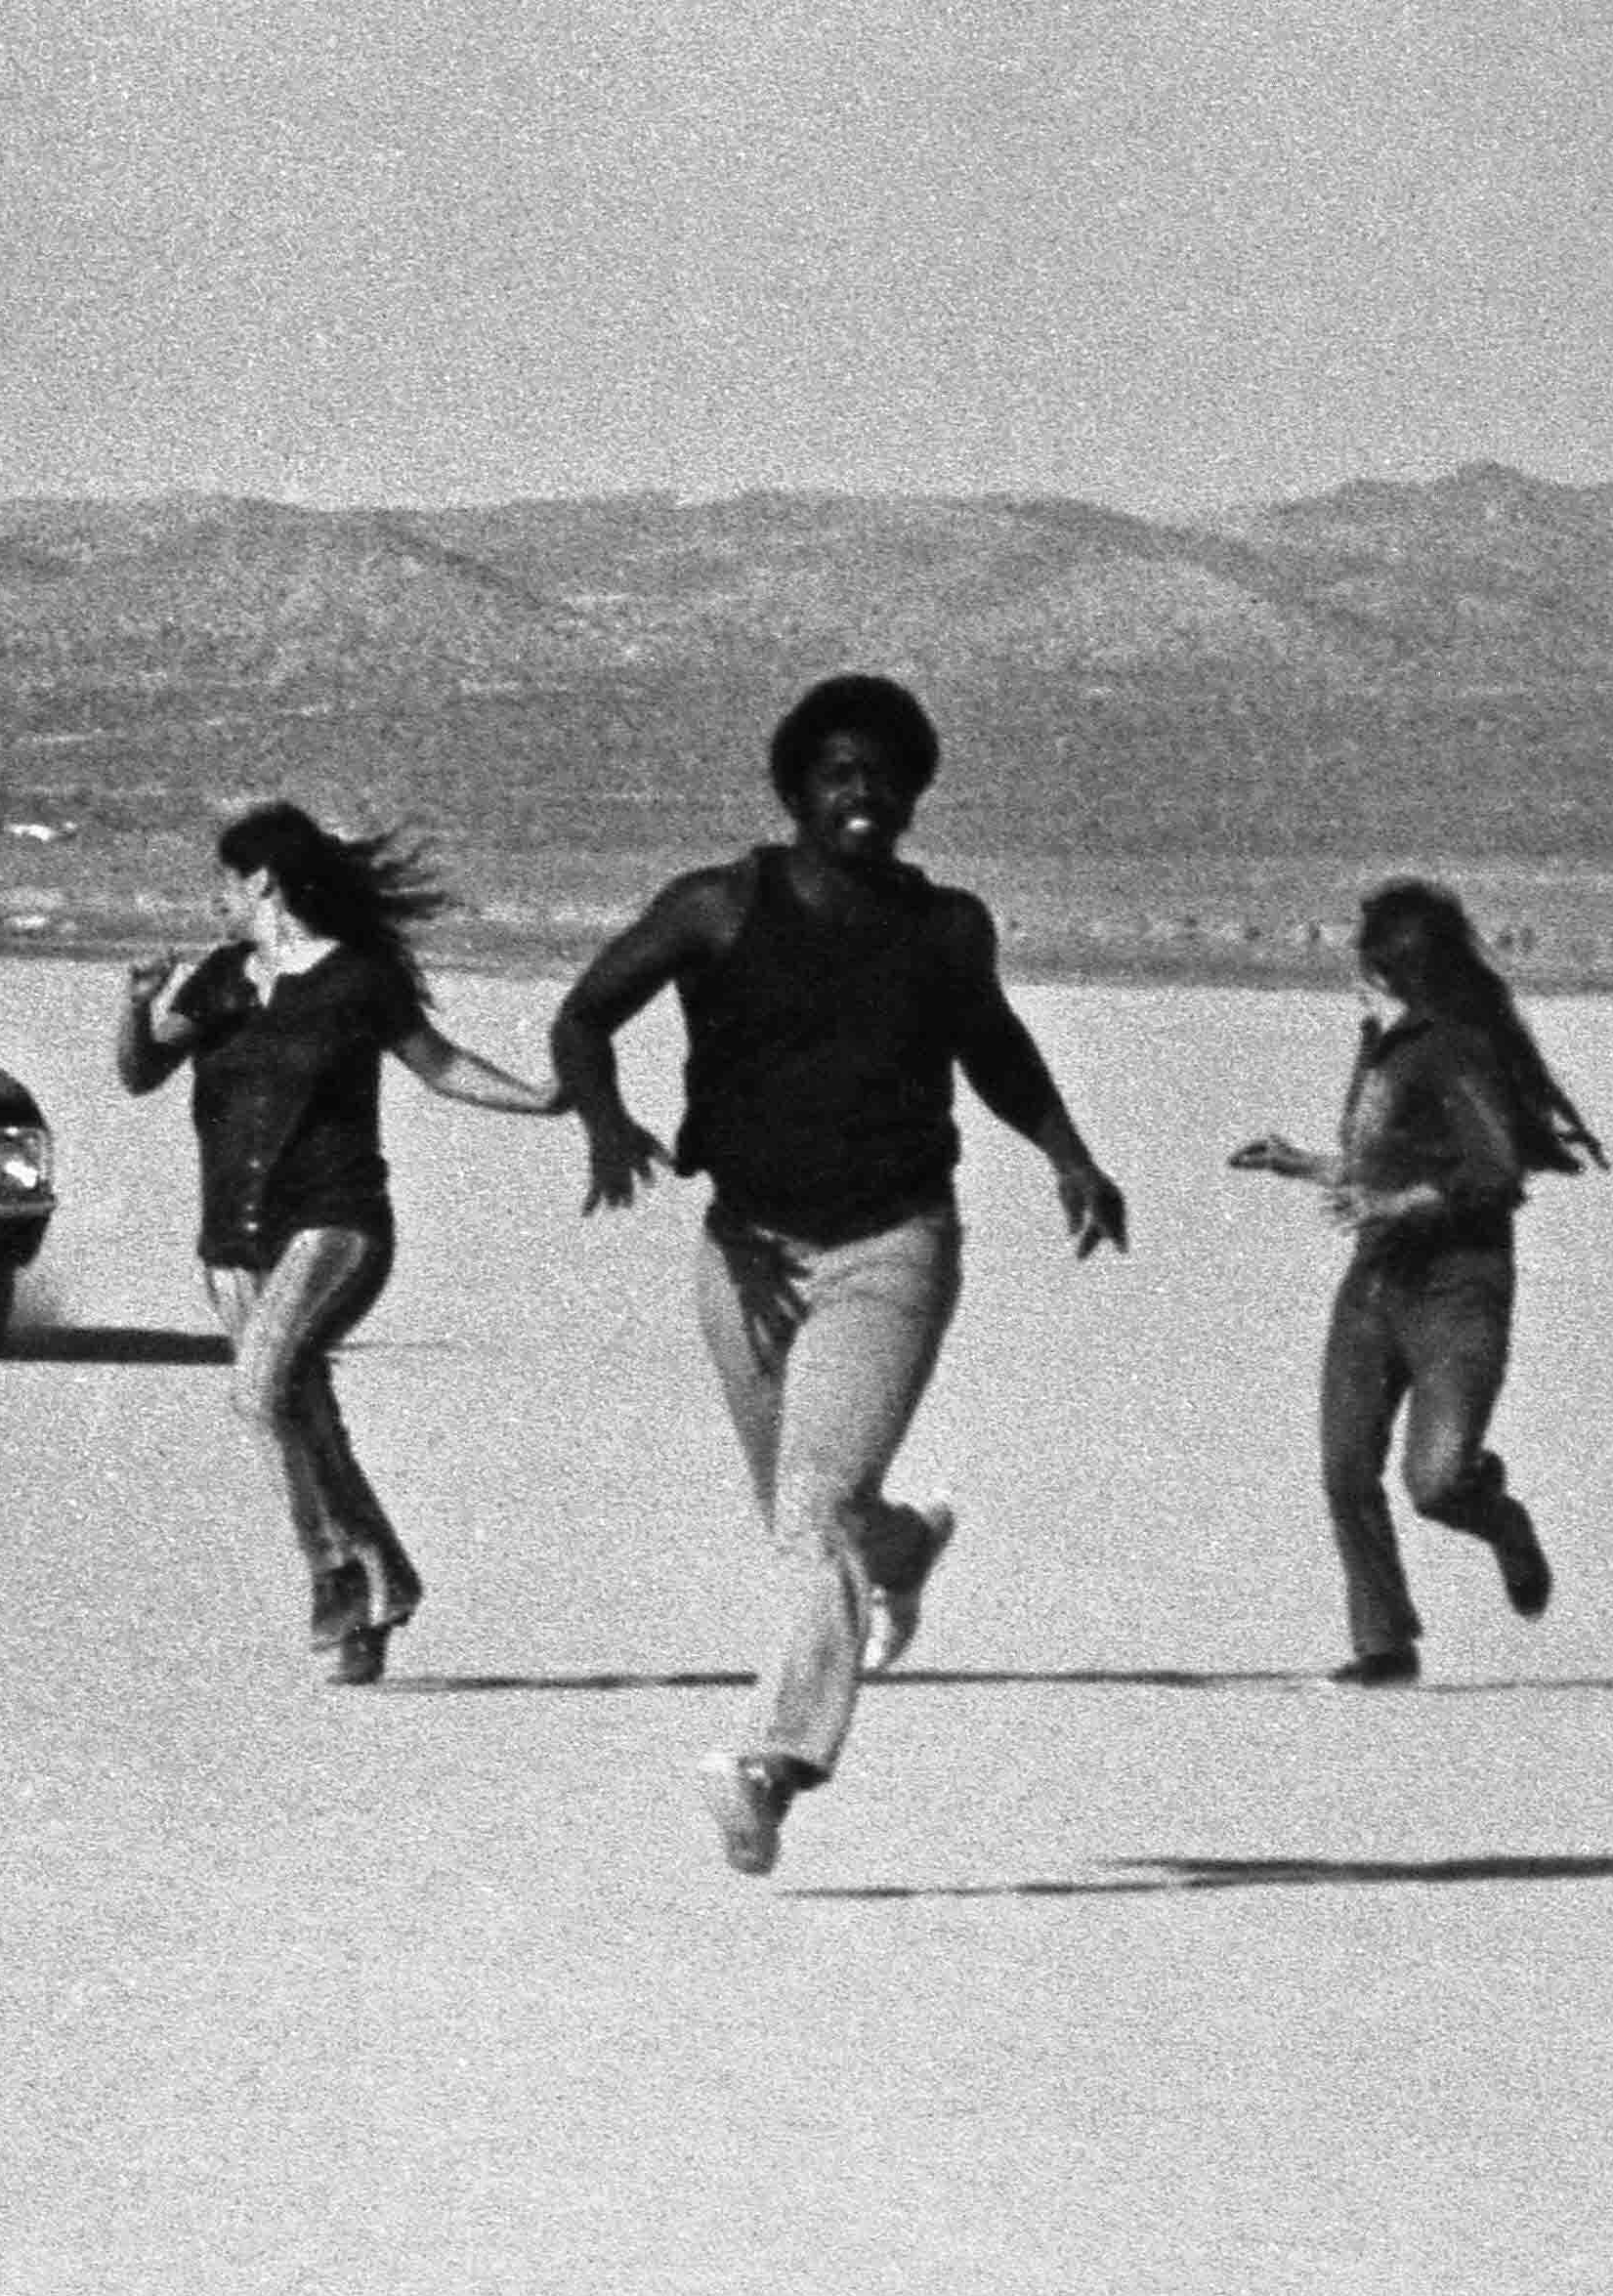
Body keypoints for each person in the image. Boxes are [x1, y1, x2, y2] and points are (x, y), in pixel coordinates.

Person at [547, 674, 1128, 1874]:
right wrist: (603, 1121)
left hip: (889, 1244)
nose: (863, 794)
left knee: (811, 1508)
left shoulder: (945, 927)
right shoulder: (716, 906)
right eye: (837, 774)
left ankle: (774, 1764)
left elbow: (992, 1047)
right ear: (796, 790)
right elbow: (581, 1016)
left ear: (914, 791)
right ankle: (900, 1548)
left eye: (885, 776)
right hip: (744, 1252)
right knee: (807, 1513)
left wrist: (1067, 1152)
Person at [119, 801, 561, 1685]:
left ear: (263, 881)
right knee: (301, 1414)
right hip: (233, 1237)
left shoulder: (359, 980)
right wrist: (135, 1006)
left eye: (224, 882)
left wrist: (543, 1097)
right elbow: (141, 1073)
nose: (215, 899)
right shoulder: (221, 979)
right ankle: (380, 1585)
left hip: (335, 1219)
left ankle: (332, 1573)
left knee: (259, 1390)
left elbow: (440, 1064)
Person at [1232, 879, 1601, 1686]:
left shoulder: (1457, 1048)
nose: (1352, 979)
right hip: (1375, 1284)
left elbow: (1495, 1174)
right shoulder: (1381, 1043)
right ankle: (1385, 1645)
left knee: (1434, 1484)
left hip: (1458, 1290)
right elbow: (1382, 1165)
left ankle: (1500, 1518)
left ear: (1397, 970)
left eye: (1363, 964)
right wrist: (1302, 1162)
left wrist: (1390, 1204)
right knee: (1346, 1468)